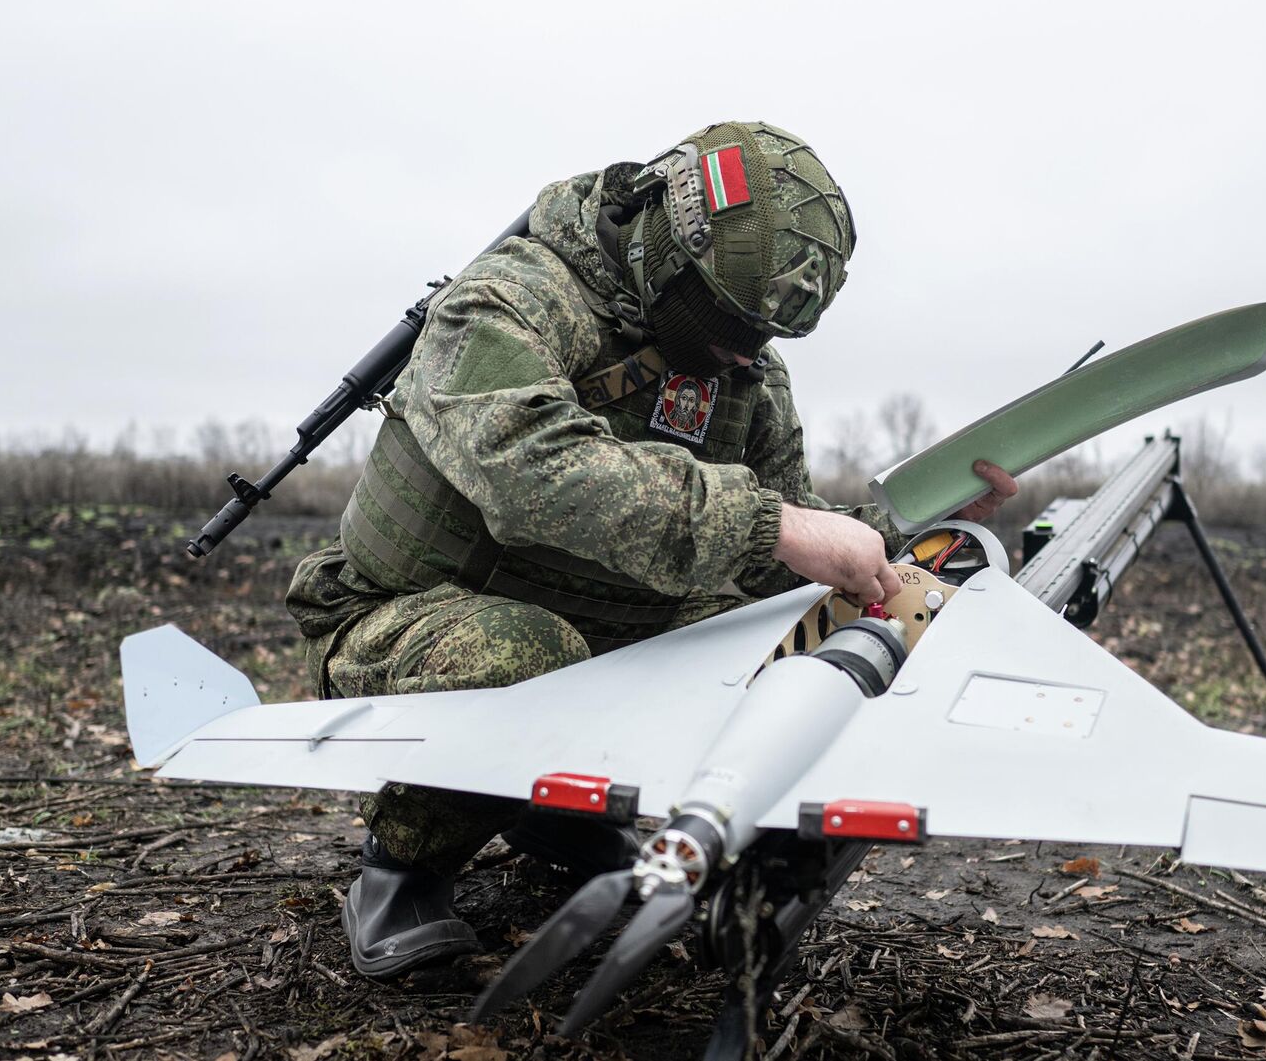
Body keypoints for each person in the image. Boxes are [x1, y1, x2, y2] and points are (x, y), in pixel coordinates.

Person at [282, 121, 1017, 979]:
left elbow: (789, 535)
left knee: (786, 625)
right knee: (521, 652)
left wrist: (892, 532)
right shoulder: (508, 300)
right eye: (727, 319)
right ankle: (404, 866)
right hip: (402, 622)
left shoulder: (745, 371)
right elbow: (532, 472)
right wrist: (773, 524)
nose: (745, 349)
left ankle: (562, 804)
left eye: (765, 332)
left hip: (600, 631)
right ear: (667, 247)